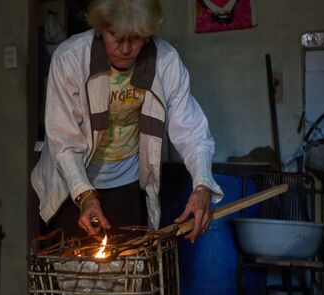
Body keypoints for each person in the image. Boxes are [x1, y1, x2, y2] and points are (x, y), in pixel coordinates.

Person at [31, 0, 223, 242]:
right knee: (74, 271)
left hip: (127, 183)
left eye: (135, 38)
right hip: (70, 183)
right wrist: (85, 196)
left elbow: (192, 132)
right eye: (116, 36)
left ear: (148, 35)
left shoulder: (166, 61)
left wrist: (202, 184)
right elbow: (63, 140)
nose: (125, 49)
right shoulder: (70, 58)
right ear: (100, 28)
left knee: (126, 271)